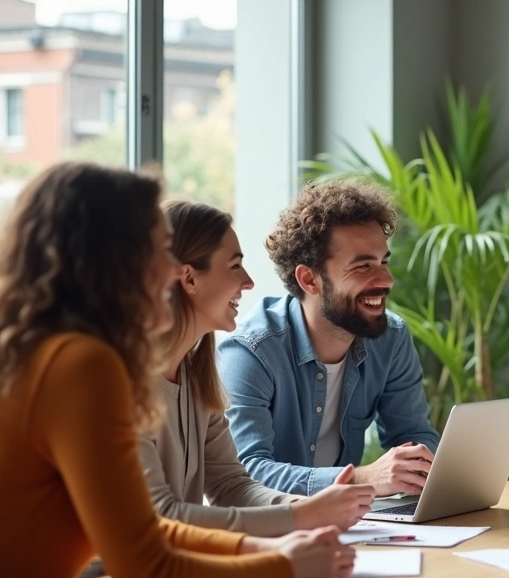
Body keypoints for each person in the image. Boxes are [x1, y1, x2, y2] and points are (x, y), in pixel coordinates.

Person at [0, 163, 353, 578]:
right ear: (113, 261)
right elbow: (149, 577)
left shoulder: (64, 355)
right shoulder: (79, 364)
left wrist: (259, 549)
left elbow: (144, 529)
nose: (173, 271)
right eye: (160, 250)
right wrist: (285, 567)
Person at [139, 200, 375, 536]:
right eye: (234, 266)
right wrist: (301, 518)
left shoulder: (196, 378)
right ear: (189, 278)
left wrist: (307, 508)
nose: (248, 282)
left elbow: (231, 486)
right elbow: (160, 518)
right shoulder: (122, 386)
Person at [219, 180, 439, 497]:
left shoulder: (391, 338)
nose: (386, 280)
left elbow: (413, 435)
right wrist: (363, 479)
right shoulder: (251, 352)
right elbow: (247, 474)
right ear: (309, 279)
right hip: (274, 532)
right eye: (363, 266)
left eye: (384, 261)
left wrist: (417, 468)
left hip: (350, 523)